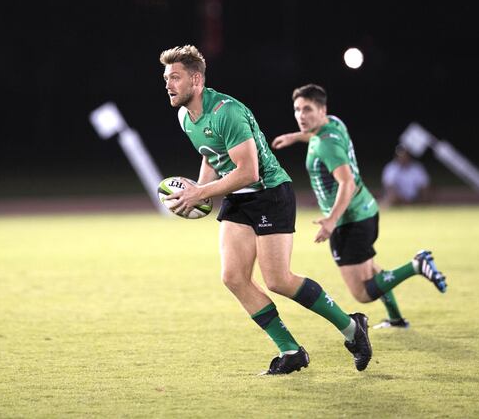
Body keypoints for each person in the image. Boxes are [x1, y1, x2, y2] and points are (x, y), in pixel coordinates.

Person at [159, 45, 372, 375]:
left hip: (270, 193)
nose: (168, 84)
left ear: (197, 80)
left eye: (175, 77)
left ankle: (351, 328)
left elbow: (249, 172)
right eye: (165, 78)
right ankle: (290, 351)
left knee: (279, 280)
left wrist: (202, 191)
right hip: (238, 199)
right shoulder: (185, 116)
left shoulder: (226, 111)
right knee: (233, 277)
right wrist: (200, 194)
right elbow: (210, 153)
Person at [271, 84, 446, 330]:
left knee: (363, 293)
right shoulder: (334, 124)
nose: (301, 115)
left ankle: (417, 265)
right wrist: (295, 136)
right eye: (297, 109)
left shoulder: (325, 145)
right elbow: (316, 133)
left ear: (322, 110)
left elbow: (347, 183)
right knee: (374, 270)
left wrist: (331, 220)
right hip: (367, 211)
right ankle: (396, 319)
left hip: (348, 221)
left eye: (307, 109)